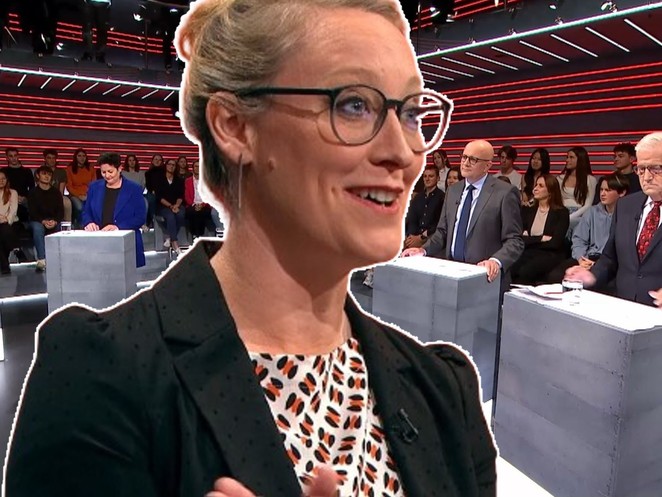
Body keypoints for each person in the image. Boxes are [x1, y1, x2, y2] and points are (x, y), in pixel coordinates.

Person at [4, 1, 497, 497]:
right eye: (354, 105)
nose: (403, 152)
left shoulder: (444, 390)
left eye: (411, 113)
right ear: (235, 126)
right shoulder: (101, 381)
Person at [402, 139, 524, 290]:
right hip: (452, 275)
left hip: (484, 278)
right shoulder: (453, 191)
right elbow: (442, 232)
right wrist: (423, 250)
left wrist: (496, 261)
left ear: (487, 165)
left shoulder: (505, 193)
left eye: (473, 159)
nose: (465, 163)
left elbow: (514, 240)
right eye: (464, 157)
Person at [566, 132, 662, 306]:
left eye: (656, 169)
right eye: (641, 169)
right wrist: (591, 275)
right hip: (623, 307)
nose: (647, 177)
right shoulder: (625, 206)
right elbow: (610, 258)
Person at [548, 173, 628, 284]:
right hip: (586, 257)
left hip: (609, 262)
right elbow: (579, 239)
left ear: (622, 193)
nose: (602, 194)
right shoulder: (592, 212)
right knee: (555, 276)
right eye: (601, 190)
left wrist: (598, 264)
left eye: (608, 190)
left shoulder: (627, 216)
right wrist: (581, 259)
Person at [82, 153, 147, 267]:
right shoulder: (94, 187)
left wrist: (117, 227)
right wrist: (89, 222)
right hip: (99, 244)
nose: (107, 175)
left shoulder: (134, 189)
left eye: (110, 171)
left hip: (125, 244)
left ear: (119, 169)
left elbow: (140, 217)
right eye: (103, 172)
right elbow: (86, 212)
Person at [510, 174, 569, 285]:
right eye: (536, 185)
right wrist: (541, 238)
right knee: (511, 266)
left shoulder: (562, 213)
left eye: (541, 186)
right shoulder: (528, 210)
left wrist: (530, 240)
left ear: (550, 191)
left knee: (525, 271)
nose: (535, 188)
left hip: (550, 254)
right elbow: (520, 238)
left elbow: (555, 243)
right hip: (528, 251)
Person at [27, 166, 63, 272]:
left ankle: (58, 259)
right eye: (44, 174)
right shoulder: (33, 193)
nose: (47, 176)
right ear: (38, 176)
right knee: (38, 228)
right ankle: (42, 259)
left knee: (63, 227)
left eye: (49, 174)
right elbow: (32, 212)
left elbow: (60, 211)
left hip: (53, 220)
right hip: (37, 220)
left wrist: (55, 221)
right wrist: (43, 221)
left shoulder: (56, 192)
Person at [557, 146, 597, 233]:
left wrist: (570, 218)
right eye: (567, 157)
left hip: (579, 214)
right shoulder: (560, 178)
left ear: (581, 159)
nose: (567, 160)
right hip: (561, 212)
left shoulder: (590, 179)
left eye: (571, 157)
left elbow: (588, 205)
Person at [404, 165, 444, 249]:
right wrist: (411, 237)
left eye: (431, 176)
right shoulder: (418, 198)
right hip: (414, 238)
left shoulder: (442, 197)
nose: (427, 179)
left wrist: (421, 237)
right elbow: (412, 219)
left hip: (432, 238)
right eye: (425, 176)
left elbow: (439, 223)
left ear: (438, 178)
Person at [154, 158, 186, 253]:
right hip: (163, 206)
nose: (171, 166)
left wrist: (176, 205)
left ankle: (169, 235)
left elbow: (180, 196)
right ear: (166, 166)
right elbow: (159, 197)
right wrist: (171, 206)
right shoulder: (159, 179)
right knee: (170, 216)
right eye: (169, 164)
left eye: (173, 165)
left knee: (181, 214)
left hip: (176, 205)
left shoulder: (179, 180)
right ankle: (175, 243)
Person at [66, 148, 97, 227]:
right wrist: (79, 196)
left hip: (88, 194)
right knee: (79, 207)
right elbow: (69, 186)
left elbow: (94, 184)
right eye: (79, 156)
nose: (82, 158)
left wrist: (88, 195)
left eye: (84, 156)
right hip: (75, 195)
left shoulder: (91, 169)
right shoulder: (69, 169)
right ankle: (79, 225)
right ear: (75, 157)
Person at [2, 147, 34, 222]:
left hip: (23, 203)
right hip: (7, 202)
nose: (13, 158)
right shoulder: (3, 171)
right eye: (11, 156)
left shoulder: (27, 171)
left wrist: (25, 199)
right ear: (7, 158)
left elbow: (32, 189)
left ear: (18, 156)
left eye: (15, 155)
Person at [41, 148, 72, 222]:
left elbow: (61, 191)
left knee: (66, 202)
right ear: (45, 159)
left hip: (57, 195)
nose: (51, 160)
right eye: (49, 158)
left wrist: (57, 198)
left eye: (53, 158)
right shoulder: (40, 171)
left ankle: (67, 223)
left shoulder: (61, 172)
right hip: (43, 195)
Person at [185, 159, 213, 239]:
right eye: (196, 166)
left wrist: (202, 205)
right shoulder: (188, 181)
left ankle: (199, 235)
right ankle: (195, 235)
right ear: (193, 168)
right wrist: (194, 205)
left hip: (205, 205)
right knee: (192, 212)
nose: (198, 168)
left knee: (202, 212)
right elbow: (187, 196)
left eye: (199, 166)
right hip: (192, 204)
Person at [0, 170, 19, 275]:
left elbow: (13, 211)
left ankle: (4, 265)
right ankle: (16, 248)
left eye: (3, 178)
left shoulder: (13, 193)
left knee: (5, 230)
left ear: (7, 180)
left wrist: (7, 220)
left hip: (10, 223)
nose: (1, 181)